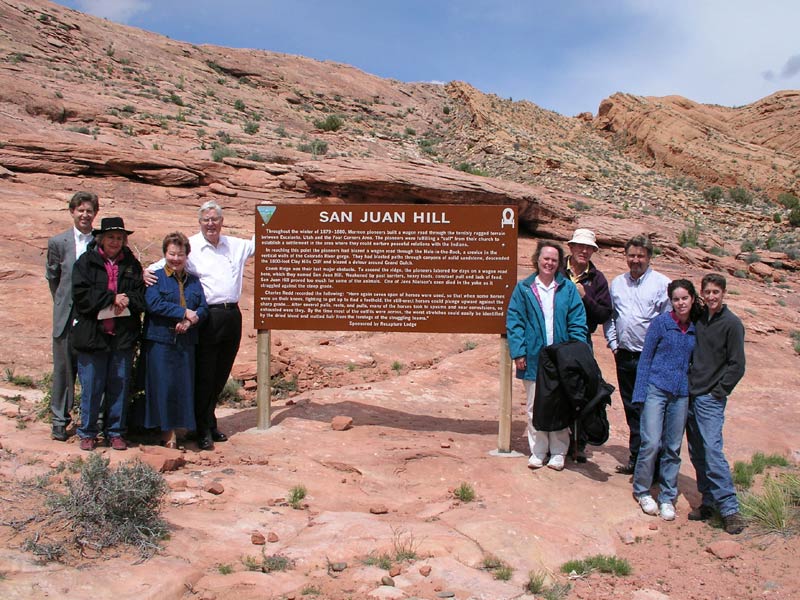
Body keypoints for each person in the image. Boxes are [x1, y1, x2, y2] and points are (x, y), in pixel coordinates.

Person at [146, 200, 254, 450]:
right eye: (206, 220)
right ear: (200, 222)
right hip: (208, 317)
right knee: (205, 374)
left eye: (215, 219)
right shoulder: (192, 246)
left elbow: (263, 240)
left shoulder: (236, 245)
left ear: (222, 221)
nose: (210, 224)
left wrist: (276, 212)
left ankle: (209, 421)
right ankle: (202, 428)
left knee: (221, 374)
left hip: (232, 314)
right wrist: (145, 272)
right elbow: (163, 264)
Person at [507, 240, 588, 471]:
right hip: (534, 357)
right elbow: (515, 321)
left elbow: (577, 321)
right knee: (535, 405)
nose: (549, 263)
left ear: (559, 263)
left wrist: (575, 351)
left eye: (554, 260)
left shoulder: (567, 288)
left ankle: (558, 452)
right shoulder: (524, 288)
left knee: (560, 404)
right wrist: (519, 352)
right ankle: (538, 451)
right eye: (546, 258)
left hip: (561, 358)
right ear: (537, 259)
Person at [72, 217, 145, 451]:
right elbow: (81, 296)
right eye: (111, 237)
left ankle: (115, 432)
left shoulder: (132, 265)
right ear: (101, 239)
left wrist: (127, 300)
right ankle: (88, 432)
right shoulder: (86, 262)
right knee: (92, 387)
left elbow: (141, 297)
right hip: (93, 336)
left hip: (122, 336)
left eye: (119, 238)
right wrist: (111, 298)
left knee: (119, 386)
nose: (115, 241)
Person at [632, 279, 702, 521]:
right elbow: (645, 359)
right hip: (656, 388)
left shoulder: (696, 327)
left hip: (681, 393)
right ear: (670, 302)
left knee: (672, 447)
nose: (680, 303)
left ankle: (667, 497)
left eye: (684, 298)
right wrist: (640, 394)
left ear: (692, 298)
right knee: (651, 442)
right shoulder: (661, 323)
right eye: (676, 299)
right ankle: (642, 491)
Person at [603, 234, 670, 474]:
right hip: (624, 356)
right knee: (631, 407)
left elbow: (669, 322)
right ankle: (636, 458)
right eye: (631, 255)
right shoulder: (617, 283)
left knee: (651, 409)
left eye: (640, 256)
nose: (635, 260)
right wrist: (613, 343)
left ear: (649, 257)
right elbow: (611, 317)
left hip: (650, 358)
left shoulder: (662, 284)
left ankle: (655, 463)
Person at [686, 273, 747, 534]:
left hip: (710, 397)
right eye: (707, 292)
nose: (711, 297)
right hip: (691, 393)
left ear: (723, 293)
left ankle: (730, 510)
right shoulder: (700, 318)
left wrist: (719, 392)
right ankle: (708, 502)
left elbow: (737, 365)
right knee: (697, 452)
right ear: (702, 293)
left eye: (716, 292)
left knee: (712, 451)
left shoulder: (732, 324)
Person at [136, 232, 208, 448]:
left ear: (187, 256)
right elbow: (154, 304)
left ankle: (181, 427)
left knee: (183, 385)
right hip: (160, 341)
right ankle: (166, 432)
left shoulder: (194, 281)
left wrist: (189, 321)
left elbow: (203, 307)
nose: (176, 259)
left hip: (186, 341)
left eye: (180, 254)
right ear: (165, 254)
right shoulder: (155, 278)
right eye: (172, 254)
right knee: (163, 386)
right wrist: (183, 312)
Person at [46, 191, 99, 441]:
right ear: (72, 212)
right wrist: (63, 302)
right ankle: (59, 420)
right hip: (66, 316)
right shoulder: (58, 242)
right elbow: (53, 278)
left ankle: (93, 421)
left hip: (93, 317)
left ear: (95, 214)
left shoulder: (100, 242)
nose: (85, 215)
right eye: (81, 210)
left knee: (92, 370)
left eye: (89, 210)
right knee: (63, 370)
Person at [563, 228, 612, 347]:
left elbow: (604, 315)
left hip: (582, 338)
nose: (584, 251)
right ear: (571, 247)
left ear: (593, 251)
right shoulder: (556, 270)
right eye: (580, 246)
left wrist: (585, 297)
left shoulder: (597, 278)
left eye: (589, 247)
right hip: (553, 335)